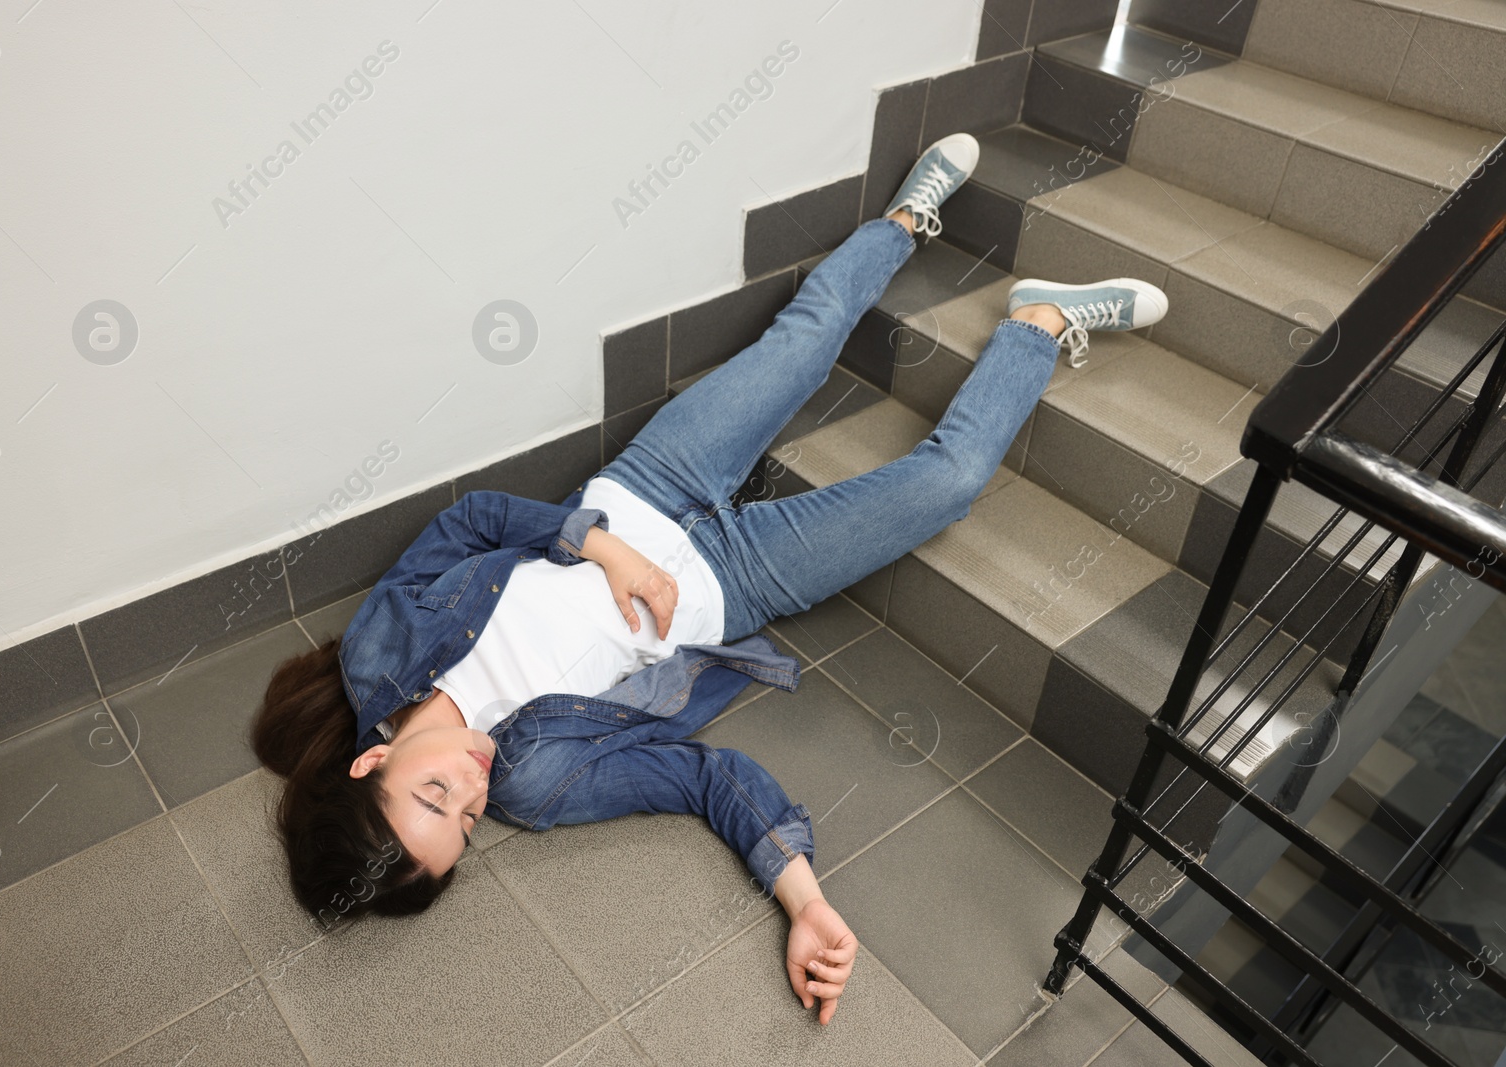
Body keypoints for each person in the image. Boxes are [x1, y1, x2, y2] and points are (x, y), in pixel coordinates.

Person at [249, 132, 1168, 1025]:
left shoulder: (385, 649)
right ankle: (1038, 324)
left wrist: (600, 544)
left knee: (805, 339)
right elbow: (702, 776)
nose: (473, 788)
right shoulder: (538, 785)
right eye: (467, 823)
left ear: (373, 760)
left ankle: (906, 219)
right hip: (729, 583)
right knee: (948, 484)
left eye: (435, 793)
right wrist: (802, 897)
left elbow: (472, 519)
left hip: (648, 487)